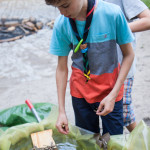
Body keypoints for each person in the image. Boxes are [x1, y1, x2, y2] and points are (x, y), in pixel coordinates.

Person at [45, 0, 135, 135]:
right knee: (87, 142)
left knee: (112, 142)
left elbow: (129, 55)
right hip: (80, 93)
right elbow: (62, 69)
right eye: (57, 8)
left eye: (65, 6)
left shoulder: (112, 13)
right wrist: (62, 112)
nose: (62, 13)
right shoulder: (62, 23)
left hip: (111, 91)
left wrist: (113, 95)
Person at [103, 0, 150, 132]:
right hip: (100, 70)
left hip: (122, 65)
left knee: (123, 109)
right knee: (111, 109)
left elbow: (148, 19)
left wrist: (119, 28)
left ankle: (142, 140)